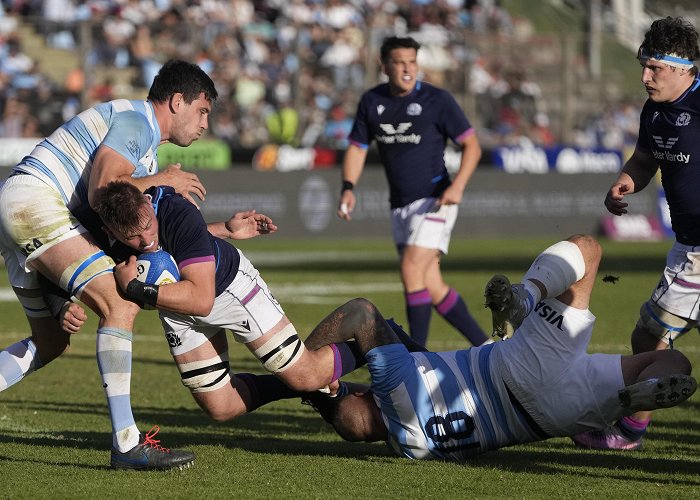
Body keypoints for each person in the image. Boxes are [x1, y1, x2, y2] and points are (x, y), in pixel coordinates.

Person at [299, 235, 696, 460]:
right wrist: (300, 371)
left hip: (555, 416)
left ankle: (630, 407)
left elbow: (358, 414)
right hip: (517, 367)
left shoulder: (413, 445)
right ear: (367, 396)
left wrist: (326, 398)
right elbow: (361, 316)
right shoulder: (399, 386)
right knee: (587, 250)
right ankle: (526, 298)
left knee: (672, 362)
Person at [0, 59, 217, 470]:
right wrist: (162, 181)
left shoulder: (143, 146)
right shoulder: (137, 123)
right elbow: (104, 191)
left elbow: (119, 219)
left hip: (22, 204)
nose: (205, 123)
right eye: (202, 110)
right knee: (121, 304)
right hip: (36, 202)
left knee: (50, 343)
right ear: (176, 102)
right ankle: (126, 444)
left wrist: (221, 229)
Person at [74, 181, 367, 423]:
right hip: (177, 308)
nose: (146, 239)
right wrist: (64, 303)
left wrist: (136, 288)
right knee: (221, 406)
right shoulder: (99, 231)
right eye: (132, 237)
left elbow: (201, 300)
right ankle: (300, 385)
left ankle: (378, 337)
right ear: (111, 232)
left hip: (228, 288)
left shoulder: (176, 210)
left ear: (148, 205)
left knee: (306, 375)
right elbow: (59, 263)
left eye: (148, 225)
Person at [573, 16, 700, 451]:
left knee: (650, 336)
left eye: (655, 68)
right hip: (687, 244)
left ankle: (627, 432)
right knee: (649, 338)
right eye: (643, 65)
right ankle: (630, 430)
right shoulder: (655, 110)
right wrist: (628, 179)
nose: (645, 76)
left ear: (684, 68)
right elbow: (645, 159)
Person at [337, 35, 488, 348]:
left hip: (437, 199)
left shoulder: (438, 100)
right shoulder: (372, 101)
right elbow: (357, 148)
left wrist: (458, 186)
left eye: (412, 62)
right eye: (399, 62)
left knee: (410, 269)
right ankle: (488, 347)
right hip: (400, 206)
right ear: (385, 66)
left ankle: (416, 356)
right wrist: (348, 187)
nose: (407, 68)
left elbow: (472, 146)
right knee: (431, 285)